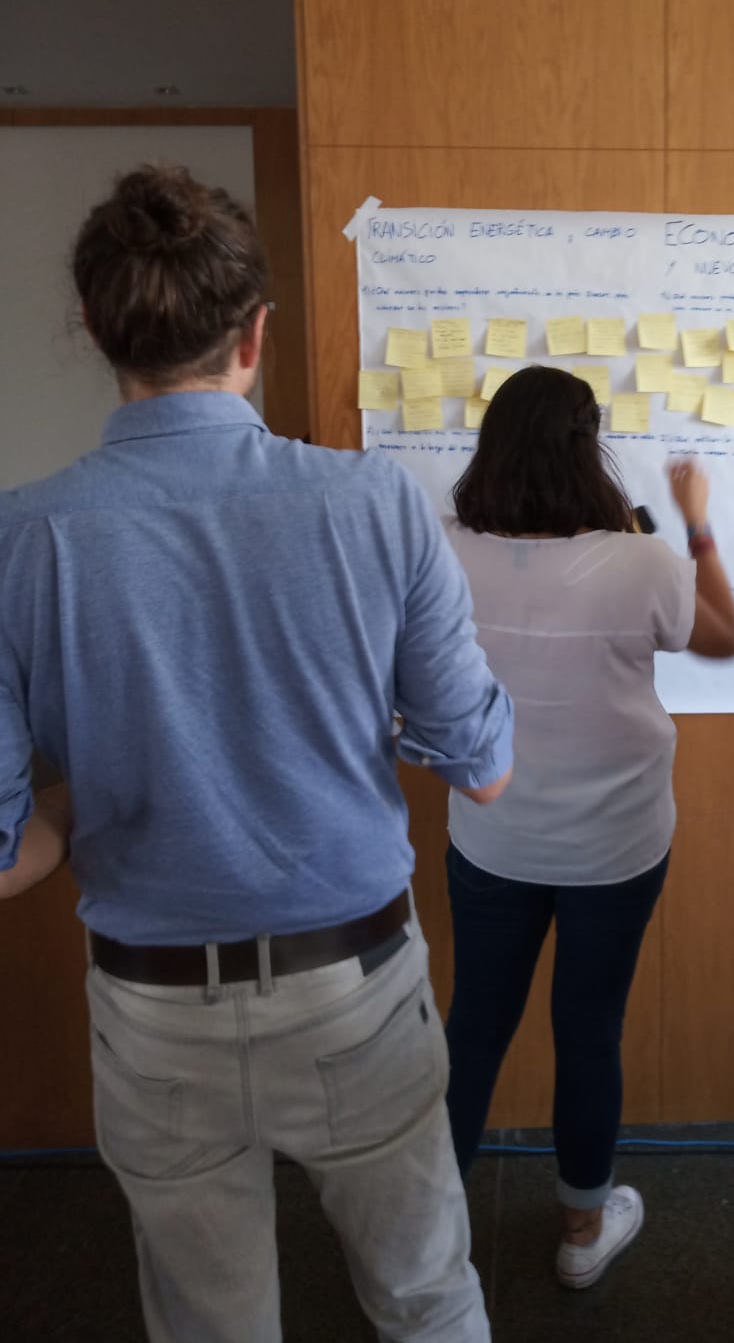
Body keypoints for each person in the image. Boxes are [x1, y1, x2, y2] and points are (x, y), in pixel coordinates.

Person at [0, 165, 513, 1343]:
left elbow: (6, 856)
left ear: (95, 329)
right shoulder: (375, 503)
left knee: (210, 1325)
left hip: (152, 1009)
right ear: (256, 333)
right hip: (356, 989)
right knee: (428, 1298)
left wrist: (78, 800)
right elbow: (483, 769)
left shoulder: (20, 539)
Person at [441, 366, 734, 1289]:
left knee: (474, 1027)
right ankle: (581, 1232)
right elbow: (723, 636)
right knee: (589, 1030)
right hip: (616, 845)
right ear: (588, 444)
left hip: (492, 836)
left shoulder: (443, 549)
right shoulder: (641, 560)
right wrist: (695, 523)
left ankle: (424, 1240)